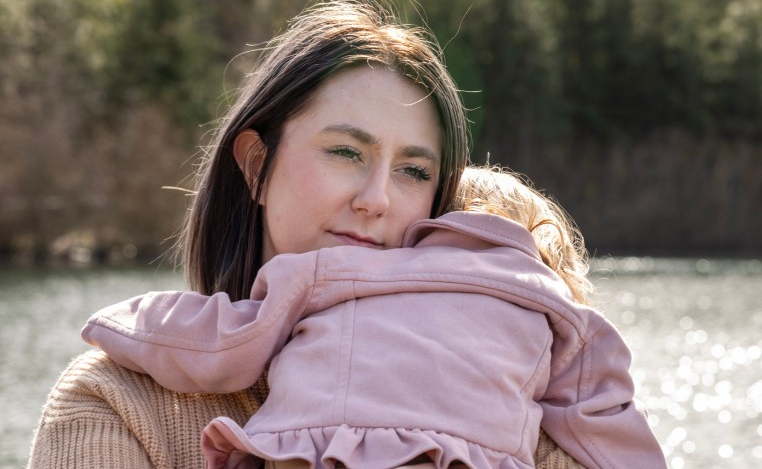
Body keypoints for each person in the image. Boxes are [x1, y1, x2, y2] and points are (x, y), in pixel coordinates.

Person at [26, 0, 589, 469]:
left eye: (414, 171)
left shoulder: (513, 404)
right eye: (346, 152)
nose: (378, 199)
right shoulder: (114, 403)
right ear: (256, 167)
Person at [79, 166, 666, 469]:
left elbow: (221, 339)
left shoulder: (343, 270)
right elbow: (607, 425)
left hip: (315, 452)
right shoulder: (558, 310)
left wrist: (122, 322)